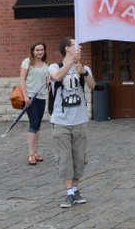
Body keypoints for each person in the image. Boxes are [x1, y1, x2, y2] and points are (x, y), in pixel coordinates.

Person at [49, 37, 96, 208]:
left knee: (78, 157)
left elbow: (92, 85)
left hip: (79, 120)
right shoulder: (54, 67)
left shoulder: (83, 68)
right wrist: (71, 63)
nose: (80, 47)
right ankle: (69, 193)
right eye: (75, 44)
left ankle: (75, 189)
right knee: (64, 157)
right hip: (60, 121)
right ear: (67, 49)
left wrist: (84, 71)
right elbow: (57, 77)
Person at [20, 41, 50, 166]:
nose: (40, 52)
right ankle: (31, 153)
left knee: (38, 124)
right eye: (37, 50)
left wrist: (49, 84)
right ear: (33, 51)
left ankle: (35, 150)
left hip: (41, 97)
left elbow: (48, 81)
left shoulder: (45, 66)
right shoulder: (27, 62)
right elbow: (22, 79)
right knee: (34, 123)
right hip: (30, 97)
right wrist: (25, 96)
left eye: (42, 50)